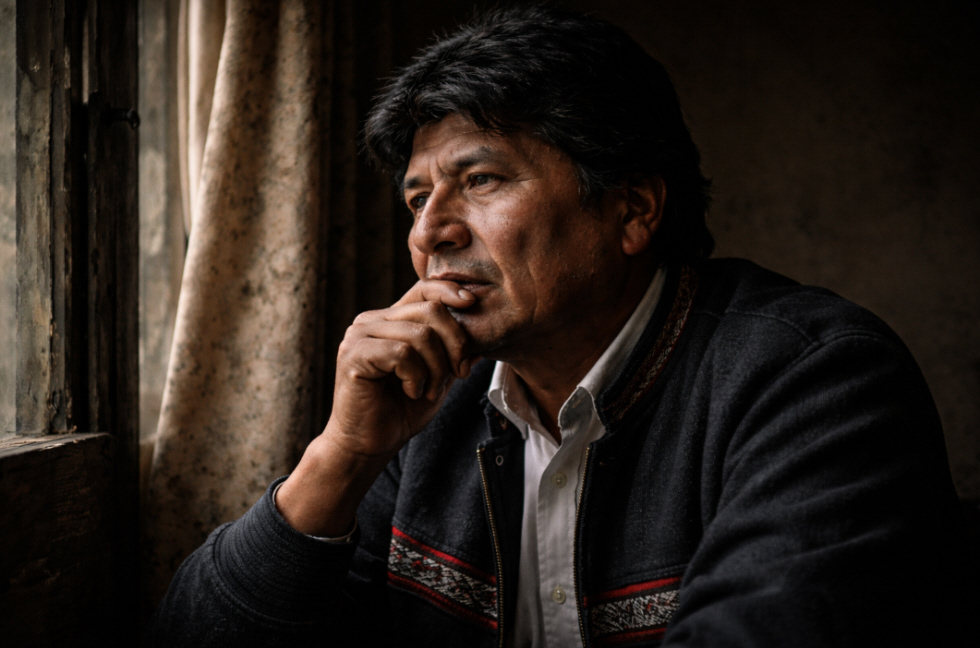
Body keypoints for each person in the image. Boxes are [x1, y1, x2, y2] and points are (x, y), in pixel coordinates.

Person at [146, 6, 977, 647]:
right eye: (416, 198)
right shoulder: (425, 402)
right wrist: (342, 455)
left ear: (632, 209)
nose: (430, 232)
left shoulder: (818, 383)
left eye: (480, 180)